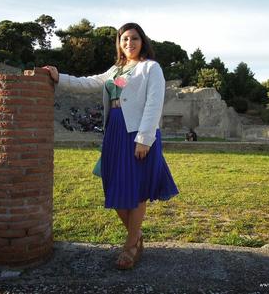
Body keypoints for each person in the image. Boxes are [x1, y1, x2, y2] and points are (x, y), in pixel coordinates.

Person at [43, 22, 179, 270]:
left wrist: (144, 139)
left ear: (142, 41)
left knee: (136, 188)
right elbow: (89, 82)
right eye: (124, 39)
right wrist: (59, 77)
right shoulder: (117, 70)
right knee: (113, 184)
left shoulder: (151, 68)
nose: (129, 43)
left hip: (137, 132)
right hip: (115, 131)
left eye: (134, 38)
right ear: (119, 43)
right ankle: (136, 237)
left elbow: (153, 104)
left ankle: (129, 247)